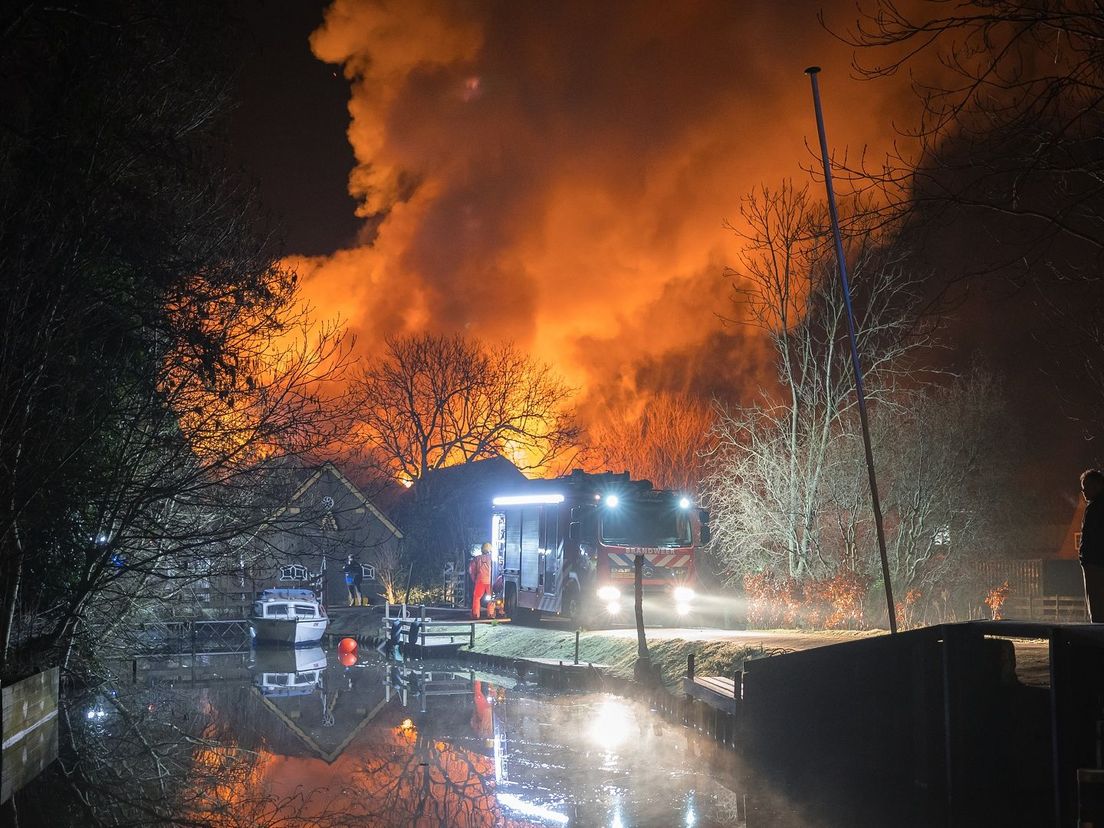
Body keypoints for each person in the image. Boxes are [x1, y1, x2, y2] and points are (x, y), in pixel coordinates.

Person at [1079, 468, 1104, 622]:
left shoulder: (1095, 508)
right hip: (1096, 560)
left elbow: (1091, 536)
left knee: (1096, 606)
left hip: (1094, 562)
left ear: (1095, 485)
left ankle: (1097, 639)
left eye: (1085, 487)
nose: (1083, 492)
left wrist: (1085, 559)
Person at [470, 542, 495, 620]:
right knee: (491, 598)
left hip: (480, 580)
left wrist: (474, 580)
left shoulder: (477, 558)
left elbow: (471, 570)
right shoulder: (492, 559)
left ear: (482, 549)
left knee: (477, 597)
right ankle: (491, 614)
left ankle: (475, 615)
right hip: (490, 581)